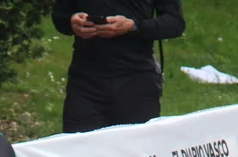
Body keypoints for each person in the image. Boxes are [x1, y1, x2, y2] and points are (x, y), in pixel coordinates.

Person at [52, 1, 186, 133]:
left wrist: (133, 26)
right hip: (86, 82)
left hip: (136, 79)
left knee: (135, 145)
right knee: (80, 145)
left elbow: (175, 23)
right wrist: (72, 21)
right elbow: (60, 16)